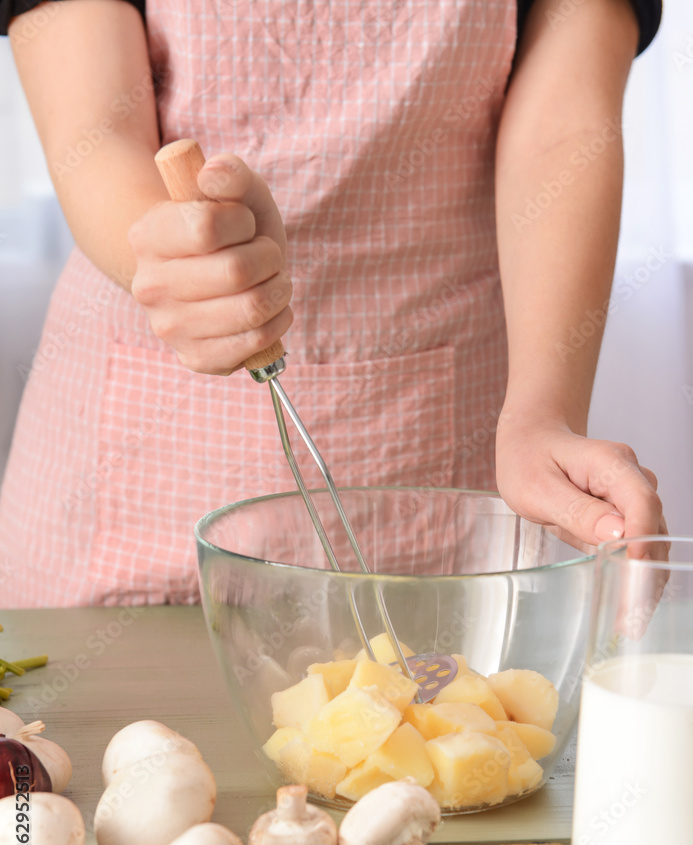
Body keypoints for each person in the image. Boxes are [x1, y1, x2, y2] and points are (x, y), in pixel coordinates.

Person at [0, 0, 666, 607]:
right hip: (132, 461)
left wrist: (541, 414)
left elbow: (561, 133)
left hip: (438, 443)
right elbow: (96, 132)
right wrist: (177, 261)